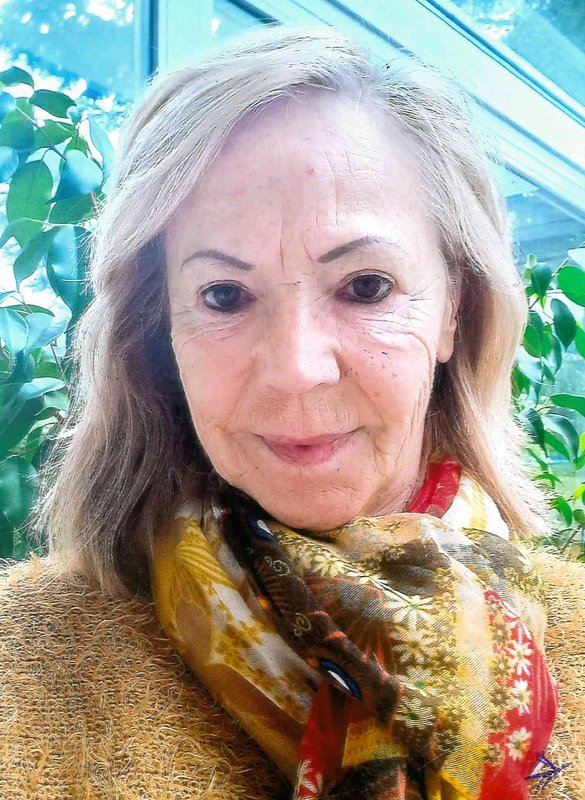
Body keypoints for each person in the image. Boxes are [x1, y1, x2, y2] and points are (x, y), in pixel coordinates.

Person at [1, 24, 583, 800]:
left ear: (455, 309)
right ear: (160, 328)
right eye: (224, 296)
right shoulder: (21, 660)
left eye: (365, 286)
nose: (296, 372)